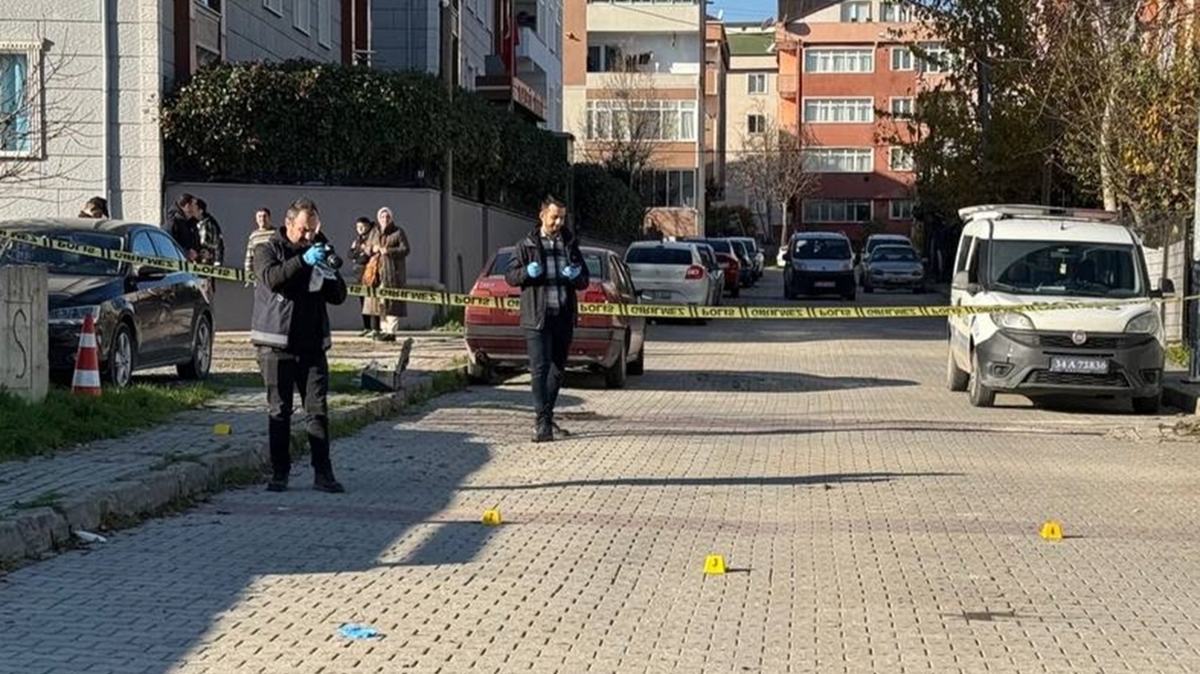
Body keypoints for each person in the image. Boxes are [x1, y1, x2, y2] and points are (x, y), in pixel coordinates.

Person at [251, 197, 349, 493]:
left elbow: (338, 296)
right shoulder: (268, 249)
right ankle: (279, 473)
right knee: (279, 411)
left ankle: (323, 473)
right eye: (304, 230)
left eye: (313, 230)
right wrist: (303, 261)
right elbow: (272, 278)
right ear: (289, 223)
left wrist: (328, 270)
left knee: (317, 410)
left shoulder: (321, 248)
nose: (309, 236)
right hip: (276, 345)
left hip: (312, 344)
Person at [504, 195, 589, 443]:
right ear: (542, 215)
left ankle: (547, 418)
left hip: (562, 315)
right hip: (537, 317)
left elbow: (584, 279)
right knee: (539, 368)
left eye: (562, 217)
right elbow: (510, 276)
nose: (559, 222)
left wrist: (575, 276)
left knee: (557, 370)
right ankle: (542, 423)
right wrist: (526, 273)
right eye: (554, 217)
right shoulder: (526, 245)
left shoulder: (570, 244)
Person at [361, 207, 410, 342]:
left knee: (392, 302)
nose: (385, 219)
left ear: (391, 218)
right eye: (382, 217)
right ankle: (383, 330)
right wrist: (373, 249)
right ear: (378, 218)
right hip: (376, 273)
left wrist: (389, 251)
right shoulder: (374, 232)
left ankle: (391, 331)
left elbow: (405, 249)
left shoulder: (398, 232)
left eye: (387, 217)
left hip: (392, 273)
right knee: (380, 302)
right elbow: (366, 248)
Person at [348, 216, 377, 336]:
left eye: (362, 226)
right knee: (363, 301)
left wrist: (359, 254)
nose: (359, 229)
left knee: (373, 300)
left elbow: (365, 257)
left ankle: (376, 328)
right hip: (359, 274)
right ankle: (367, 327)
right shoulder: (358, 240)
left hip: (370, 273)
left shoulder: (373, 237)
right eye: (357, 227)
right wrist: (358, 253)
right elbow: (350, 254)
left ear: (368, 226)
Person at [166, 193, 201, 260]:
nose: (197, 207)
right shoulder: (172, 223)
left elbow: (195, 245)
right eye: (195, 204)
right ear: (187, 206)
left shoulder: (192, 224)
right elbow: (168, 245)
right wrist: (186, 253)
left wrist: (200, 252)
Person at [244, 207, 274, 287]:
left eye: (264, 216)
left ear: (269, 218)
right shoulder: (254, 236)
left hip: (273, 273)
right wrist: (248, 274)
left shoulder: (275, 234)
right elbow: (249, 256)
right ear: (256, 219)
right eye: (259, 216)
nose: (262, 219)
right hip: (259, 274)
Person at [194, 198, 226, 266]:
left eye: (194, 209)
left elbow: (217, 243)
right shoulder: (194, 222)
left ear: (200, 211)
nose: (192, 211)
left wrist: (217, 261)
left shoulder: (210, 224)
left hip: (208, 261)